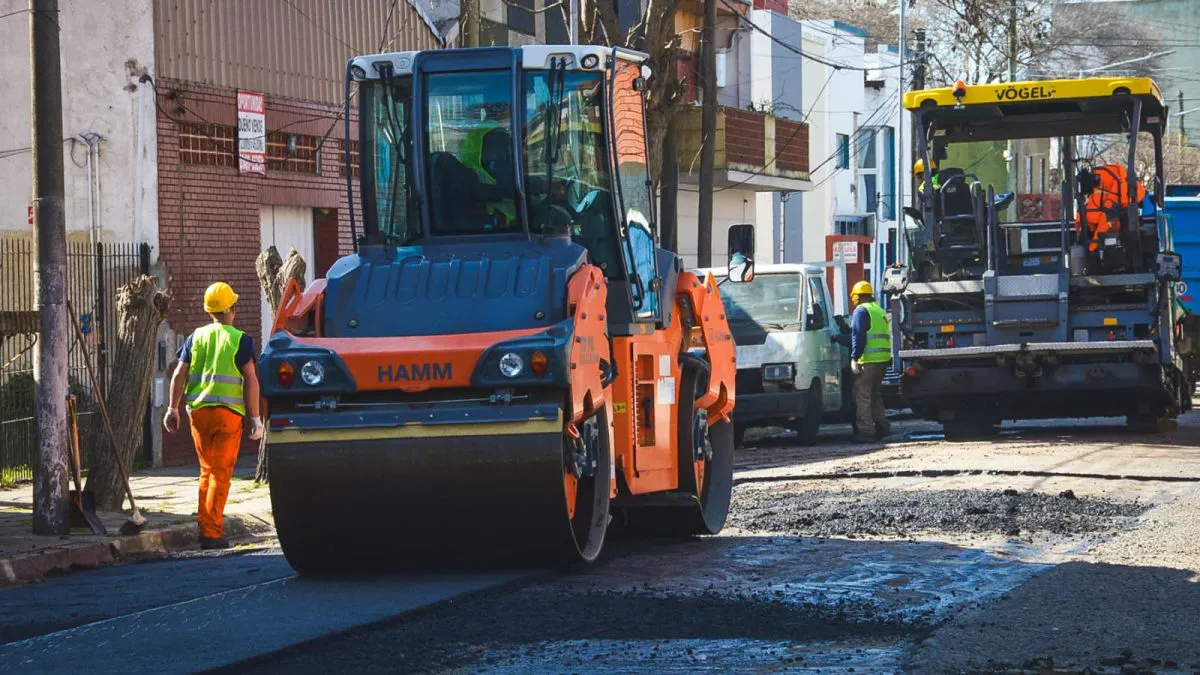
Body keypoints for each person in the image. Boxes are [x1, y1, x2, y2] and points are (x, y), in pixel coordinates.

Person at [163, 282, 263, 550]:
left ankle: (205, 523)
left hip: (198, 413)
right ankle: (211, 532)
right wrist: (255, 418)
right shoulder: (241, 340)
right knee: (220, 473)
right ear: (231, 309)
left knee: (207, 470)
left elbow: (179, 373)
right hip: (227, 415)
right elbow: (251, 380)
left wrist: (173, 408)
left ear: (209, 311)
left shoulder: (195, 337)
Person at [848, 280, 892, 442]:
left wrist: (854, 358)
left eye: (854, 296)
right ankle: (882, 425)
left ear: (858, 296)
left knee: (862, 395)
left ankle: (866, 431)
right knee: (874, 394)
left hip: (868, 360)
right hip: (882, 359)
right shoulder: (878, 310)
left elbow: (858, 336)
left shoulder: (861, 310)